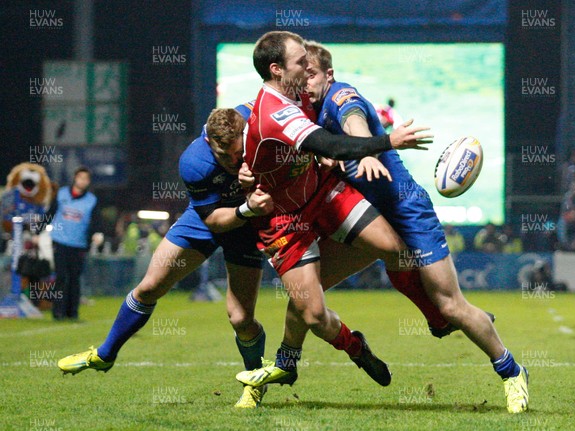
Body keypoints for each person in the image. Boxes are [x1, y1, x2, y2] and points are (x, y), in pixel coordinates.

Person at [240, 40, 529, 414]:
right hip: (361, 210)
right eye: (302, 70)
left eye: (311, 73)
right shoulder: (299, 103)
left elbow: (354, 123)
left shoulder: (341, 97)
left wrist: (370, 149)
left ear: (328, 75)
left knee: (452, 305)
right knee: (306, 297)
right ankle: (286, 362)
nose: (306, 80)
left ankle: (512, 372)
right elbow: (292, 135)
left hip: (405, 210)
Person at [235, 30, 437, 390]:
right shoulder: (274, 112)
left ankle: (437, 317)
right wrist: (388, 141)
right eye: (300, 63)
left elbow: (327, 133)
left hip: (324, 193)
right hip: (284, 222)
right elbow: (327, 141)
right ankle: (354, 346)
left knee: (395, 250)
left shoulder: (300, 95)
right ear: (277, 70)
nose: (307, 67)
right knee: (313, 313)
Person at [57, 109, 276, 408]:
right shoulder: (194, 162)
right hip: (209, 217)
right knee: (149, 287)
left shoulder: (259, 118)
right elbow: (213, 220)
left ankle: (254, 381)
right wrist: (247, 207)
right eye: (225, 156)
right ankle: (105, 355)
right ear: (208, 141)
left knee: (240, 318)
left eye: (238, 153)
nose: (234, 161)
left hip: (247, 229)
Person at [42, 167, 102, 320]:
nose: (82, 181)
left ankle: (72, 312)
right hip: (60, 241)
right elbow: (51, 212)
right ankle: (58, 312)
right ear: (75, 178)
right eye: (80, 177)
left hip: (79, 244)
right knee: (61, 276)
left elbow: (96, 221)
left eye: (85, 179)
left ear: (88, 182)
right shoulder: (62, 193)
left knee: (75, 278)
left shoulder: (91, 200)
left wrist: (97, 234)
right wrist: (37, 232)